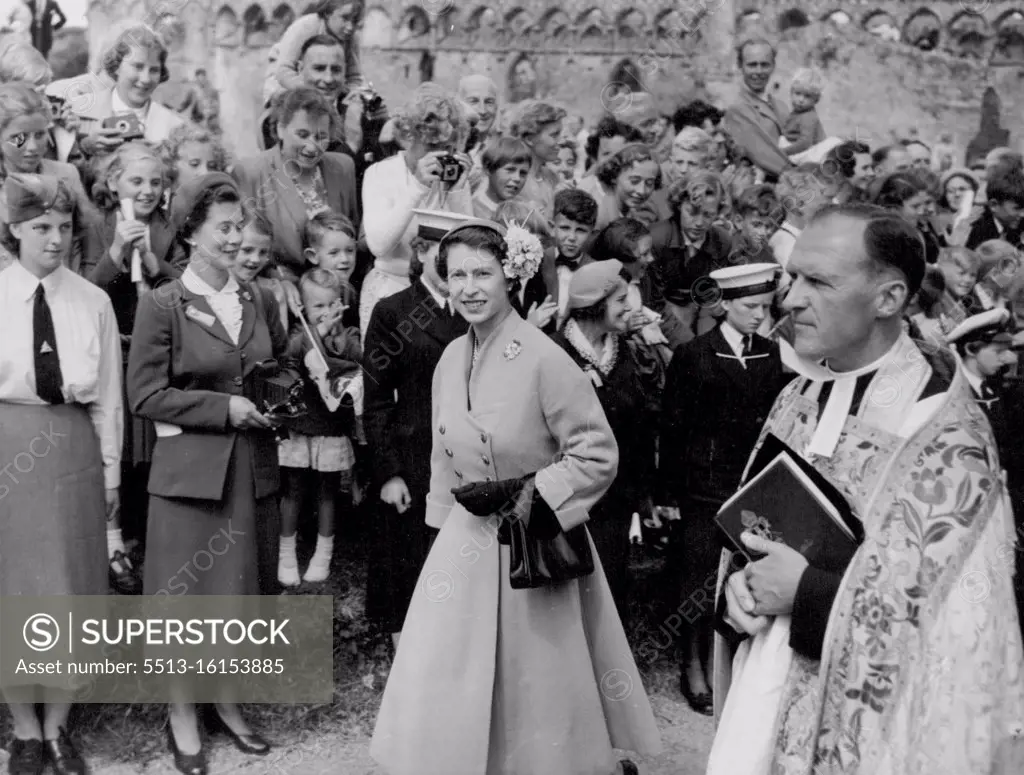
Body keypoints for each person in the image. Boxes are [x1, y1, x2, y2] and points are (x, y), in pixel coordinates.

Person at [708, 204, 1024, 775]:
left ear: (888, 298)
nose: (790, 299)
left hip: (877, 736)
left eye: (819, 281)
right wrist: (738, 592)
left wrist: (805, 593)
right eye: (793, 277)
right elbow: (755, 532)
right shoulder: (798, 393)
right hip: (766, 691)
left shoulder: (943, 433)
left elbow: (957, 627)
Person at [370, 218, 661, 775]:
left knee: (535, 682)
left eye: (483, 273)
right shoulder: (451, 356)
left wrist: (533, 493)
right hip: (464, 541)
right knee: (451, 672)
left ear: (511, 277)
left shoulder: (545, 356)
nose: (470, 288)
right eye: (457, 275)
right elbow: (440, 451)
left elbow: (597, 453)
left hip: (535, 538)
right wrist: (442, 527)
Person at [127, 173, 285, 773]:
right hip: (191, 476)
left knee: (238, 592)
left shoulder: (256, 296)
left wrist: (278, 398)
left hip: (250, 468)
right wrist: (223, 410)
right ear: (190, 233)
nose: (235, 238)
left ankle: (227, 701)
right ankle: (181, 713)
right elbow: (144, 394)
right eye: (223, 228)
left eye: (238, 226)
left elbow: (268, 366)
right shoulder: (163, 303)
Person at [0, 173, 121, 775]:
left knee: (68, 585)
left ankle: (57, 729)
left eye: (64, 227)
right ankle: (22, 729)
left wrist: (111, 474)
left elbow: (109, 400)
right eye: (39, 227)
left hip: (71, 447)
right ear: (15, 230)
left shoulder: (92, 301)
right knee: (16, 587)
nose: (54, 239)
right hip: (7, 447)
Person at [660, 263, 787, 716]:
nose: (758, 315)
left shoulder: (771, 355)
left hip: (750, 485)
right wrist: (669, 494)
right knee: (698, 577)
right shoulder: (696, 355)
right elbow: (673, 429)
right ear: (726, 305)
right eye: (750, 306)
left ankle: (725, 662)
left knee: (740, 574)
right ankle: (692, 664)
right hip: (703, 487)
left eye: (765, 308)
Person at [362, 211, 470, 647]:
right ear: (421, 252)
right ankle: (404, 653)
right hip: (411, 459)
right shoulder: (393, 312)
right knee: (403, 558)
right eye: (442, 257)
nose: (452, 270)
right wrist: (387, 472)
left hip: (462, 459)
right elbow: (375, 400)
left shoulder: (476, 310)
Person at [552, 259, 661, 624]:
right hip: (566, 501)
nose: (630, 309)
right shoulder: (553, 354)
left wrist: (642, 494)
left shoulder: (625, 351)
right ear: (595, 306)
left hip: (615, 500)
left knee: (609, 593)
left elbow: (640, 428)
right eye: (620, 301)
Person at [359, 82, 474, 340]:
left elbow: (467, 245)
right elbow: (379, 245)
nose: (440, 156)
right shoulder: (380, 173)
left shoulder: (450, 177)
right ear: (410, 136)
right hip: (390, 292)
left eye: (448, 148)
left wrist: (457, 192)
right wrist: (417, 186)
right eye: (431, 147)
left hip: (442, 297)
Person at [278, 266, 361, 586]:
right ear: (303, 309)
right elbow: (290, 360)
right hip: (300, 426)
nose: (326, 313)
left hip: (330, 427)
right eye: (318, 307)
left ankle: (322, 554)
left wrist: (334, 336)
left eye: (332, 304)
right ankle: (286, 553)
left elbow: (357, 357)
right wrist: (316, 337)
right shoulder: (300, 337)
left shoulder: (348, 336)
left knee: (327, 493)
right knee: (294, 491)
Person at [232, 86, 359, 283]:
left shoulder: (343, 167)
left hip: (335, 288)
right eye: (302, 134)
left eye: (321, 137)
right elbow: (244, 245)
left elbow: (352, 233)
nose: (312, 146)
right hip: (279, 288)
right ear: (280, 129)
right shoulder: (251, 172)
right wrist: (277, 279)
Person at [0, 81, 103, 273]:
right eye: (18, 138)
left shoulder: (66, 174)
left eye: (39, 135)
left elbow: (89, 241)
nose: (32, 147)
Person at [61, 25, 184, 161]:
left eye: (154, 70)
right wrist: (84, 148)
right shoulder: (76, 112)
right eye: (137, 67)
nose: (146, 79)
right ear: (117, 66)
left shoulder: (175, 127)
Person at [649, 171, 734, 349]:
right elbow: (653, 301)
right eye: (692, 212)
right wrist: (689, 345)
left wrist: (703, 343)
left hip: (699, 317)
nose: (699, 223)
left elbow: (710, 300)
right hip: (659, 320)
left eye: (708, 215)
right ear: (679, 205)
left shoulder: (721, 241)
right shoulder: (656, 239)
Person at [264, 0, 364, 105]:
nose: (350, 27)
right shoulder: (306, 27)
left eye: (355, 20)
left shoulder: (352, 38)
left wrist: (352, 93)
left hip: (323, 79)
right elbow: (283, 70)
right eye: (345, 18)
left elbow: (354, 77)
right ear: (328, 13)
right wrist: (312, 93)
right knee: (283, 103)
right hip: (284, 77)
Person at [722, 38, 791, 178]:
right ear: (740, 66)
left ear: (773, 65)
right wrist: (804, 175)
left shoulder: (781, 106)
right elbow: (765, 156)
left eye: (764, 65)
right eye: (752, 65)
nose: (759, 71)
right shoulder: (737, 109)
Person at [581, 142, 664, 231]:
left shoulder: (628, 212)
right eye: (634, 181)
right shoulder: (600, 218)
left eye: (649, 183)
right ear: (614, 176)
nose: (642, 191)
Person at [508, 99, 566, 218]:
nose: (562, 141)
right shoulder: (513, 180)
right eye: (554, 135)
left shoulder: (552, 177)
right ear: (529, 139)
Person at [551, 188, 599, 324]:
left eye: (581, 230)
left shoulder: (594, 271)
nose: (572, 237)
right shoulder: (538, 261)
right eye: (565, 228)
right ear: (552, 227)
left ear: (592, 233)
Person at [472, 135, 530, 221]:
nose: (517, 178)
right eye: (510, 170)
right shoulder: (473, 209)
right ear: (488, 169)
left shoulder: (525, 212)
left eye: (523, 173)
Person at [779, 68, 825, 157]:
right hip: (798, 148)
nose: (801, 100)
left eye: (807, 96)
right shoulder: (797, 112)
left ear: (816, 100)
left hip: (810, 151)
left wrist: (783, 152)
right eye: (798, 93)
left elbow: (805, 143)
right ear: (791, 92)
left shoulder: (808, 117)